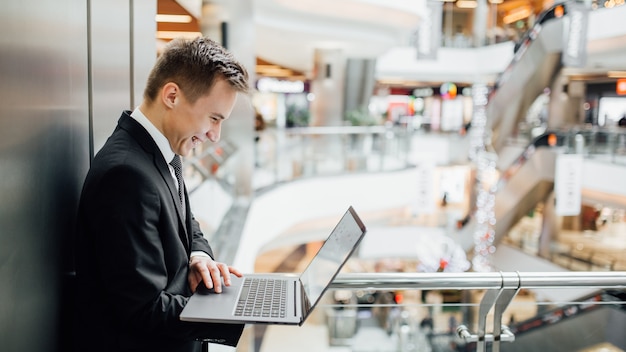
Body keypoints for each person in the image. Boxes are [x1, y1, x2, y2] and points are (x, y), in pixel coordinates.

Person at [73, 37, 249, 352]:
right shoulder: (125, 175)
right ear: (171, 96)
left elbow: (185, 222)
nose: (215, 135)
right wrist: (236, 309)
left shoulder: (162, 152)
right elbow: (142, 309)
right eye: (213, 118)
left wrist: (199, 257)